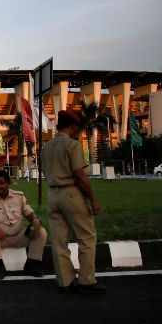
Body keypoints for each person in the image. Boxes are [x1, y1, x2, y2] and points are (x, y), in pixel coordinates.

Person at [41, 109, 106, 295]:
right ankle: (86, 280)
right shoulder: (72, 145)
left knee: (59, 240)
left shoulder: (47, 147)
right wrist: (93, 199)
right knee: (86, 237)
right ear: (72, 127)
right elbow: (80, 175)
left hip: (52, 194)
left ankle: (65, 281)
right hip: (71, 192)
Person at [0, 170, 47, 279]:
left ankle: (31, 265)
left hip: (20, 236)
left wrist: (35, 220)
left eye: (1, 183)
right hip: (0, 238)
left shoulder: (19, 196)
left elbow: (28, 212)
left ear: (8, 183)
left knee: (41, 232)